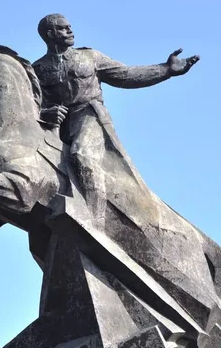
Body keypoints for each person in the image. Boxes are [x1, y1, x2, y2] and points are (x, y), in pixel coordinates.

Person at [33, 14, 200, 228]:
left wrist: (166, 70)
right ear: (50, 34)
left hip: (89, 116)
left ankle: (94, 222)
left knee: (81, 155)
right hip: (58, 126)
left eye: (70, 27)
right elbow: (32, 104)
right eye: (64, 28)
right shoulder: (37, 69)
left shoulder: (89, 57)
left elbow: (126, 75)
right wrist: (45, 113)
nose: (70, 31)